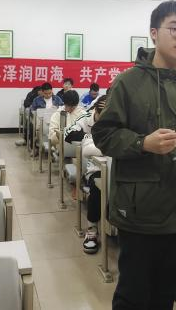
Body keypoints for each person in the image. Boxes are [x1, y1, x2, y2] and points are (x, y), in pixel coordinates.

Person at [92, 0, 176, 310]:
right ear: (154, 33)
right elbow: (104, 134)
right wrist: (143, 143)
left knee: (168, 292)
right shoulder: (128, 83)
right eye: (174, 28)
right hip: (142, 210)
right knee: (133, 296)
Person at [65, 95, 108, 254]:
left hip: (116, 165)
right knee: (98, 186)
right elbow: (69, 134)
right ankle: (92, 229)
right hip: (94, 167)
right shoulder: (86, 119)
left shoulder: (119, 120)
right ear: (96, 111)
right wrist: (87, 139)